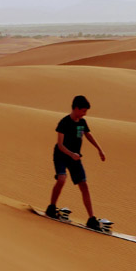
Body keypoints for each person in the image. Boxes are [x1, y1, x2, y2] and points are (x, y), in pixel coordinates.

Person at [45, 95, 106, 229]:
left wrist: (99, 149)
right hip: (62, 155)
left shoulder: (82, 122)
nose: (84, 114)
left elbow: (88, 134)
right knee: (61, 179)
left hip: (75, 158)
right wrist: (71, 154)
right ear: (76, 108)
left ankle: (91, 218)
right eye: (83, 111)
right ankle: (51, 207)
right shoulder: (64, 122)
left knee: (84, 185)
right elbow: (60, 145)